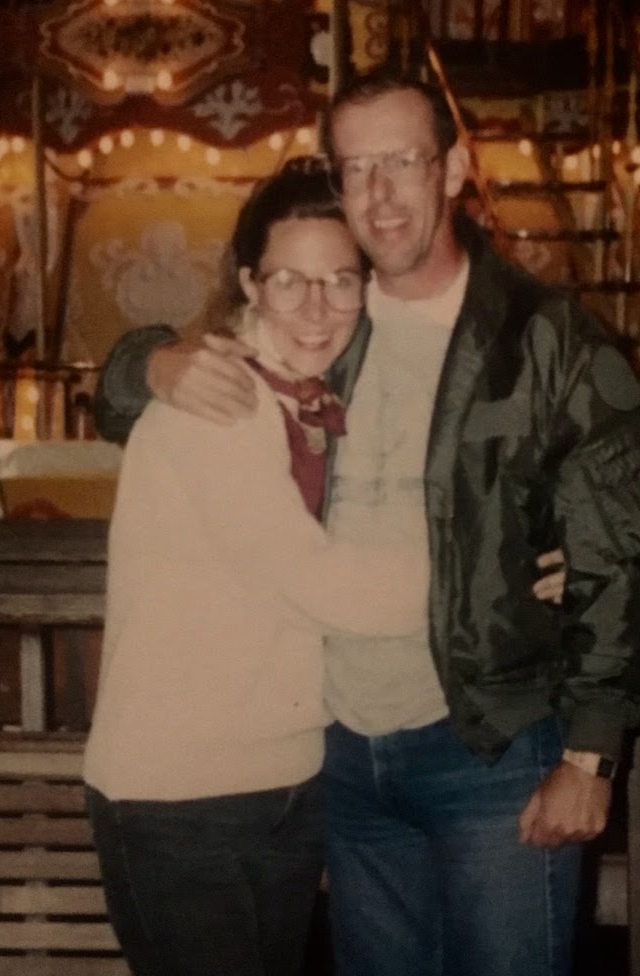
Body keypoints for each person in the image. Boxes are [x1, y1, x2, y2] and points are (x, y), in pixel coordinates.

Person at [94, 72, 640, 976]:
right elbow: (188, 385)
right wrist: (146, 363)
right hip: (342, 758)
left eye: (402, 161)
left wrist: (593, 753)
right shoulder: (336, 325)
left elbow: (635, 545)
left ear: (451, 169)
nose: (378, 192)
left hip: (486, 748)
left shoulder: (543, 337)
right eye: (356, 167)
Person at [84, 160, 438, 976]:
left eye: (341, 282)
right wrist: (504, 579)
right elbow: (323, 587)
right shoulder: (219, 401)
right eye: (290, 282)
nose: (318, 310)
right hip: (177, 798)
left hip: (287, 781)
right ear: (249, 282)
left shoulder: (312, 400)